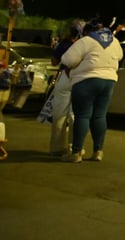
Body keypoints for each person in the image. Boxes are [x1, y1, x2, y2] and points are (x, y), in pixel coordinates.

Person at [59, 18, 124, 163]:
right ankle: (98, 151)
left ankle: (76, 153)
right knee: (100, 116)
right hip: (109, 81)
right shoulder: (114, 41)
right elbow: (120, 56)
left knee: (82, 116)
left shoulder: (86, 41)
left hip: (86, 81)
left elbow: (67, 60)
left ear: (88, 31)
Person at [47, 21, 83, 155]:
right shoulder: (83, 44)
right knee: (75, 114)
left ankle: (56, 147)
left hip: (65, 77)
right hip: (80, 78)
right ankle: (74, 147)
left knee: (59, 113)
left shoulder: (65, 44)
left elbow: (54, 61)